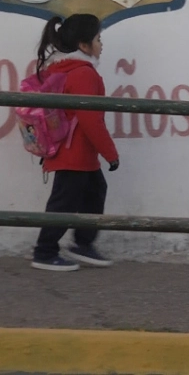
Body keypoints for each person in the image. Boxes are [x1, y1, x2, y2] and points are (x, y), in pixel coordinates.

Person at [31, 14, 120, 272]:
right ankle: (44, 252)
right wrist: (111, 153)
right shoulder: (83, 73)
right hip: (75, 152)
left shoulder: (64, 69)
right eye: (97, 39)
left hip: (76, 152)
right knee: (64, 203)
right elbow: (91, 119)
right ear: (84, 45)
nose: (101, 44)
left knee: (94, 192)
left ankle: (83, 243)